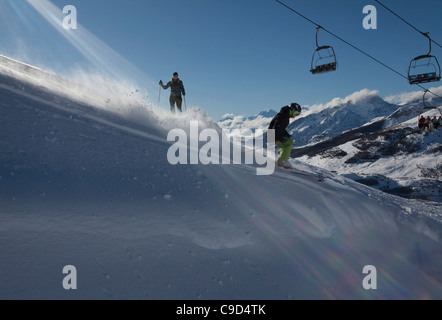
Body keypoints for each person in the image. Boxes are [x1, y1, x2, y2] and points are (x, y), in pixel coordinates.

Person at [268, 103, 302, 169]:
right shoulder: (283, 116)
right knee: (289, 144)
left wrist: (286, 135)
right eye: (296, 113)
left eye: (298, 114)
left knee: (285, 145)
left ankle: (282, 160)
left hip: (272, 135)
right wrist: (280, 138)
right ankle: (282, 161)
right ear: (292, 110)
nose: (296, 115)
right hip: (274, 136)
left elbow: (280, 128)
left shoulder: (283, 115)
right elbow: (276, 127)